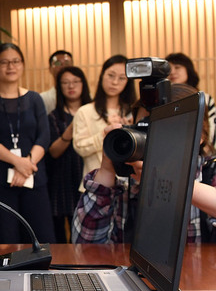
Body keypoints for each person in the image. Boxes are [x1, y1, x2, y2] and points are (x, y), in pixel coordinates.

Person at [72, 83, 213, 243]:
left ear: (200, 137)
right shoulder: (126, 182)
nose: (155, 139)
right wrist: (107, 168)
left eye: (166, 129)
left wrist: (163, 179)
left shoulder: (209, 173)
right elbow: (85, 245)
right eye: (145, 128)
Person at [0, 43, 54, 244]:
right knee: (5, 241)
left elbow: (44, 136)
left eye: (16, 61)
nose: (11, 66)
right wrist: (18, 163)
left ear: (22, 65)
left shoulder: (34, 98)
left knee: (42, 239)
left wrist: (26, 165)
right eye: (4, 62)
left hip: (33, 178)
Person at [72, 55, 136, 190]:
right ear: (102, 76)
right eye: (111, 75)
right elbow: (80, 147)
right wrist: (105, 132)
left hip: (129, 186)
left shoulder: (133, 112)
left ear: (128, 82)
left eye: (121, 78)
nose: (114, 82)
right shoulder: (85, 111)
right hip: (96, 185)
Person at [46, 66, 92, 242]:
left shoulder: (94, 111)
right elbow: (54, 152)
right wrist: (72, 128)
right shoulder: (54, 116)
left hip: (88, 172)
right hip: (62, 176)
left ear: (83, 84)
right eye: (65, 83)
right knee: (59, 233)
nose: (70, 86)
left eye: (75, 82)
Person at [165, 52, 216, 144]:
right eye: (168, 69)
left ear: (188, 70)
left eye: (177, 67)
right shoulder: (162, 99)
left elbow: (211, 127)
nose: (172, 72)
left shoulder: (205, 98)